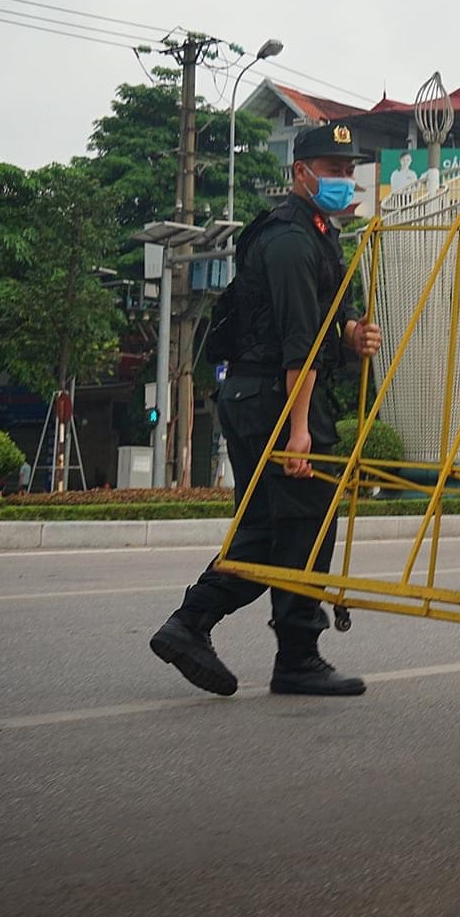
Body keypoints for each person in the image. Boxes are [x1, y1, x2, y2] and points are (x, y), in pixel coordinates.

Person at [150, 122, 384, 697]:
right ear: (300, 173)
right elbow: (298, 341)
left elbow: (326, 316)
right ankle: (277, 650)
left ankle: (206, 628)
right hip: (275, 398)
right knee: (299, 522)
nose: (344, 179)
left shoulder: (317, 230)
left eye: (349, 169)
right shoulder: (289, 240)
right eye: (333, 169)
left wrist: (351, 332)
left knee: (275, 523)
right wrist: (299, 431)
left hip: (268, 394)